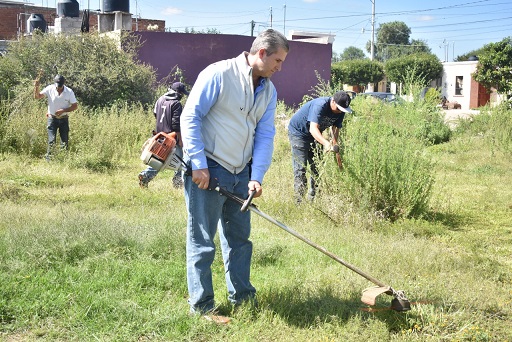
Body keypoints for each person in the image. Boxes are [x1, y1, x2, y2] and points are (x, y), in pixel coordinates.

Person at [180, 29, 289, 315]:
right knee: (202, 241)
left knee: (240, 241)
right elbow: (190, 116)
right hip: (210, 169)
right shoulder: (219, 74)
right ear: (262, 53)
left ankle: (243, 298)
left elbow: (265, 134)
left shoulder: (269, 90)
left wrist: (257, 176)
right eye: (277, 60)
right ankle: (202, 307)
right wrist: (198, 164)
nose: (280, 67)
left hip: (242, 174)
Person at [287, 91, 352, 203]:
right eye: (338, 109)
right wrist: (326, 143)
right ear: (333, 101)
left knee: (317, 167)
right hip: (299, 133)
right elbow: (313, 128)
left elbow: (336, 128)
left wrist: (334, 143)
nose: (339, 112)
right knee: (301, 168)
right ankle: (299, 203)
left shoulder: (341, 109)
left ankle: (313, 200)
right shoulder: (320, 105)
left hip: (316, 134)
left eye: (342, 110)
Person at [138, 82, 189, 189]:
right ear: (178, 93)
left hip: (160, 136)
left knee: (160, 159)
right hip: (172, 137)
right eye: (182, 94)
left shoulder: (160, 99)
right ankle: (177, 183)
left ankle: (146, 175)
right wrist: (179, 139)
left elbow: (155, 114)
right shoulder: (176, 103)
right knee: (179, 160)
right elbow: (176, 124)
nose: (182, 96)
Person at [34, 74, 78, 160]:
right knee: (51, 140)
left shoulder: (69, 92)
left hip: (64, 119)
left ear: (63, 84)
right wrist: (36, 87)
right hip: (52, 118)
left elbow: (75, 106)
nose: (59, 88)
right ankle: (49, 160)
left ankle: (63, 160)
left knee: (64, 141)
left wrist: (63, 110)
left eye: (60, 86)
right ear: (55, 83)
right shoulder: (50, 88)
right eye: (58, 86)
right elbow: (37, 97)